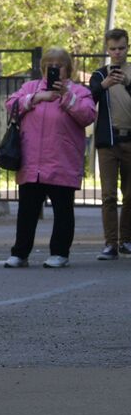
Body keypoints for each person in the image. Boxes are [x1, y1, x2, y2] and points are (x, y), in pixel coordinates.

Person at [3, 48, 95, 268]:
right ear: (43, 67)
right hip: (31, 162)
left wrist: (67, 96)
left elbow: (88, 115)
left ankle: (60, 252)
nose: (54, 68)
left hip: (62, 161)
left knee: (63, 210)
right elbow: (11, 106)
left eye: (59, 64)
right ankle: (20, 253)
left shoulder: (80, 91)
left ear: (68, 68)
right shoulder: (30, 88)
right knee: (27, 210)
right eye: (50, 64)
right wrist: (36, 98)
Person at [88, 28, 131, 259]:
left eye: (121, 48)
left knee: (130, 195)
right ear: (107, 50)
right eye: (113, 49)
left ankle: (126, 240)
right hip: (108, 141)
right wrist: (103, 85)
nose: (117, 53)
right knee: (108, 195)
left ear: (128, 48)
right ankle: (110, 244)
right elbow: (86, 99)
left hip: (130, 139)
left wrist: (127, 83)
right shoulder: (99, 75)